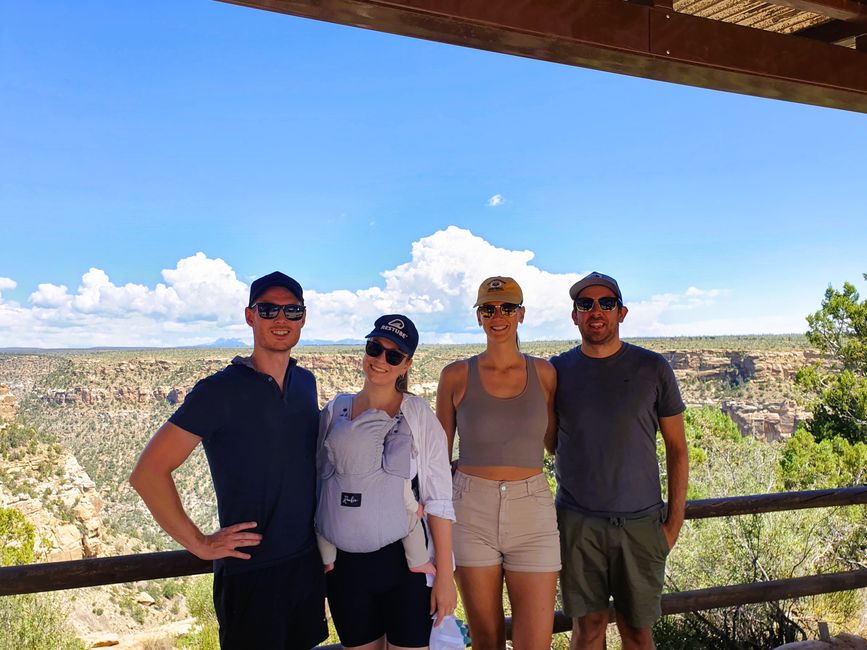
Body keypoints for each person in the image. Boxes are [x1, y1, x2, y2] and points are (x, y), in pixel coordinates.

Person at [129, 271, 326, 650]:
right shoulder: (218, 391)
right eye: (268, 309)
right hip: (251, 574)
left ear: (303, 317)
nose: (280, 319)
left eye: (291, 310)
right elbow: (148, 472)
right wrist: (200, 544)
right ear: (250, 316)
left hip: (304, 565)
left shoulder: (306, 384)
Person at [550, 271, 688, 650]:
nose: (596, 311)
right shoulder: (557, 371)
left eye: (606, 303)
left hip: (641, 523)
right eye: (586, 304)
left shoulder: (653, 368)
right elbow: (546, 440)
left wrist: (673, 524)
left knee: (638, 631)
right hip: (578, 523)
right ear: (575, 315)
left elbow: (678, 448)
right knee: (588, 628)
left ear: (622, 313)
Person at [318, 314, 457, 650]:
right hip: (346, 569)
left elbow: (438, 497)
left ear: (406, 363)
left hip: (407, 568)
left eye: (394, 355)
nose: (381, 360)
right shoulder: (335, 411)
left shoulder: (419, 416)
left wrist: (445, 578)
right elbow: (321, 485)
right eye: (375, 348)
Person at [437, 276, 560, 650]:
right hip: (471, 509)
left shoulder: (544, 374)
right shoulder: (455, 376)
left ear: (521, 314)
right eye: (488, 309)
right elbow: (438, 458)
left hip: (533, 508)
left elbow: (553, 442)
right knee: (486, 639)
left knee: (535, 641)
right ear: (478, 317)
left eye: (508, 308)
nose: (498, 316)